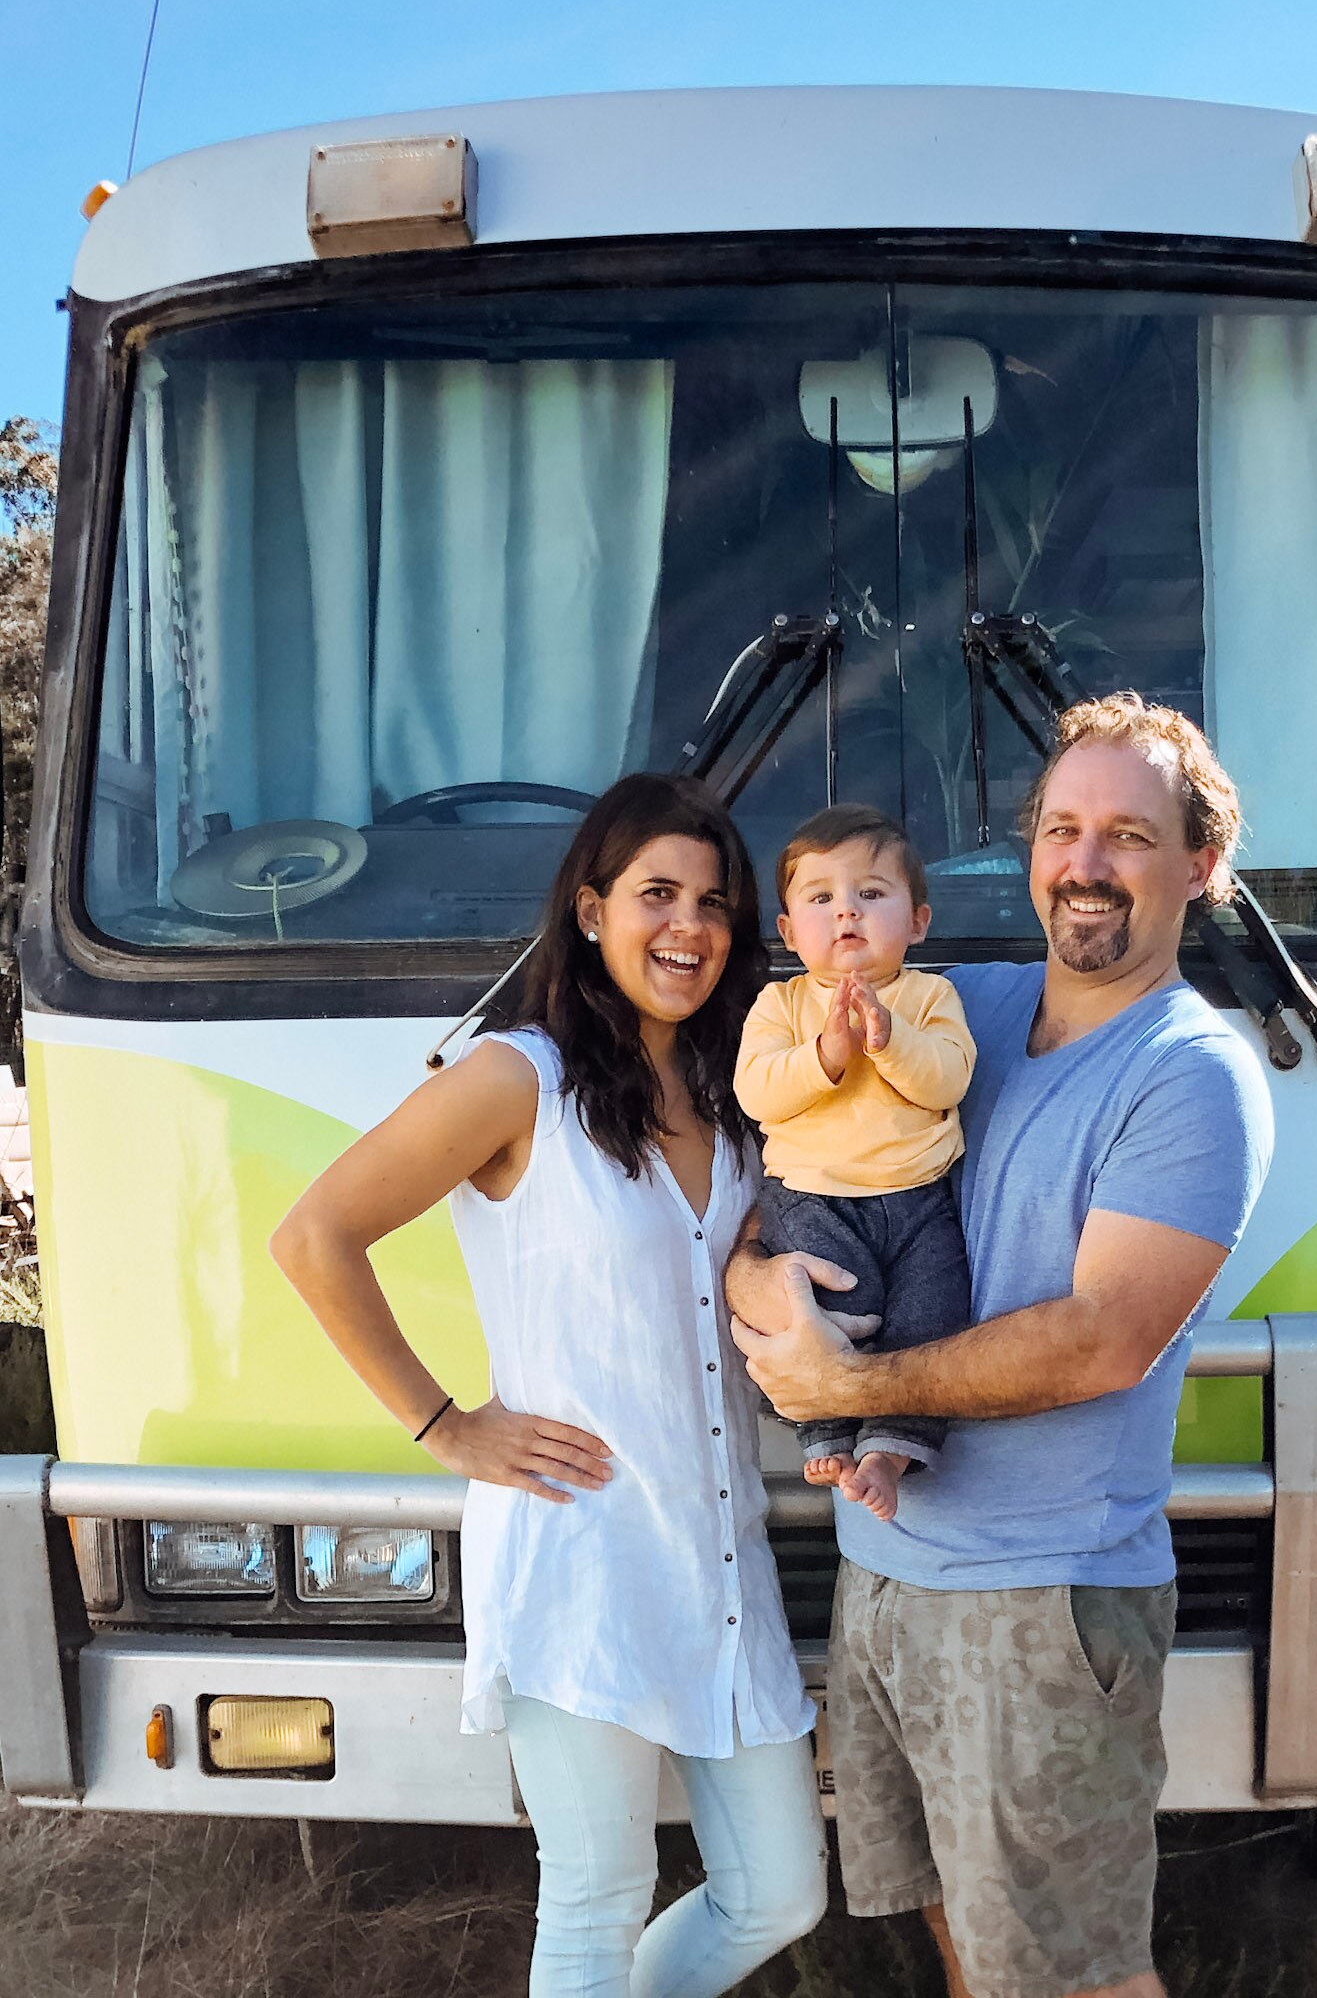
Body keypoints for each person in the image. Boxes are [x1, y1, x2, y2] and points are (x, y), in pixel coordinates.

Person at [728, 694, 1276, 1998]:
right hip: (883, 1579)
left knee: (1066, 1973)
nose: (1084, 863)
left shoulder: (1190, 1076)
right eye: (1063, 829)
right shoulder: (954, 1008)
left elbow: (1101, 1341)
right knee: (961, 1936)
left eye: (1128, 837)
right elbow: (795, 1165)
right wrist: (758, 1275)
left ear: (1197, 867)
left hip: (1040, 1603)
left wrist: (845, 1385)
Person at [271, 773, 828, 1998]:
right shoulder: (515, 1079)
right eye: (657, 894)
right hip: (577, 1560)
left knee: (781, 1888)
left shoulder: (737, 1095)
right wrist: (444, 1423)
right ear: (589, 909)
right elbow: (314, 1235)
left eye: (714, 903)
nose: (688, 927)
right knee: (594, 1896)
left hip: (716, 1556)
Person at [735, 804, 976, 1522]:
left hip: (921, 1198)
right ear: (787, 931)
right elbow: (757, 1092)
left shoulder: (931, 997)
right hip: (813, 1197)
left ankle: (891, 1451)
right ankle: (827, 1431)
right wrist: (825, 1055)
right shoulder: (778, 1006)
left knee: (929, 1319)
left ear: (918, 921)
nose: (847, 912)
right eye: (820, 898)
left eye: (871, 894)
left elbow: (947, 1079)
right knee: (841, 1311)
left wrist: (887, 1039)